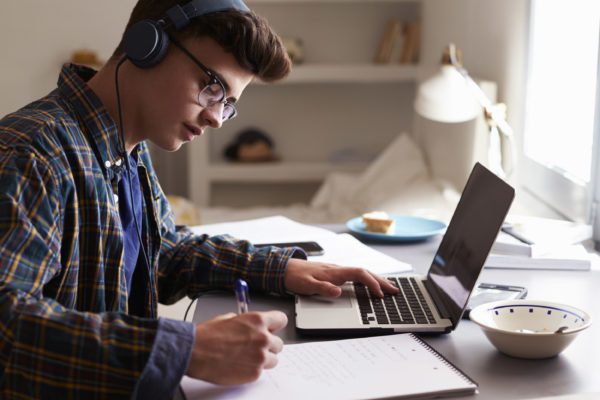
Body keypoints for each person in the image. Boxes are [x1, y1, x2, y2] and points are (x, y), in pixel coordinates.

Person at [0, 0, 399, 398]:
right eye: (213, 88)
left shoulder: (125, 149)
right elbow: (6, 324)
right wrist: (185, 349)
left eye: (228, 105)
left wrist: (280, 270)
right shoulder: (32, 154)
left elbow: (163, 251)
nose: (215, 119)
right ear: (147, 46)